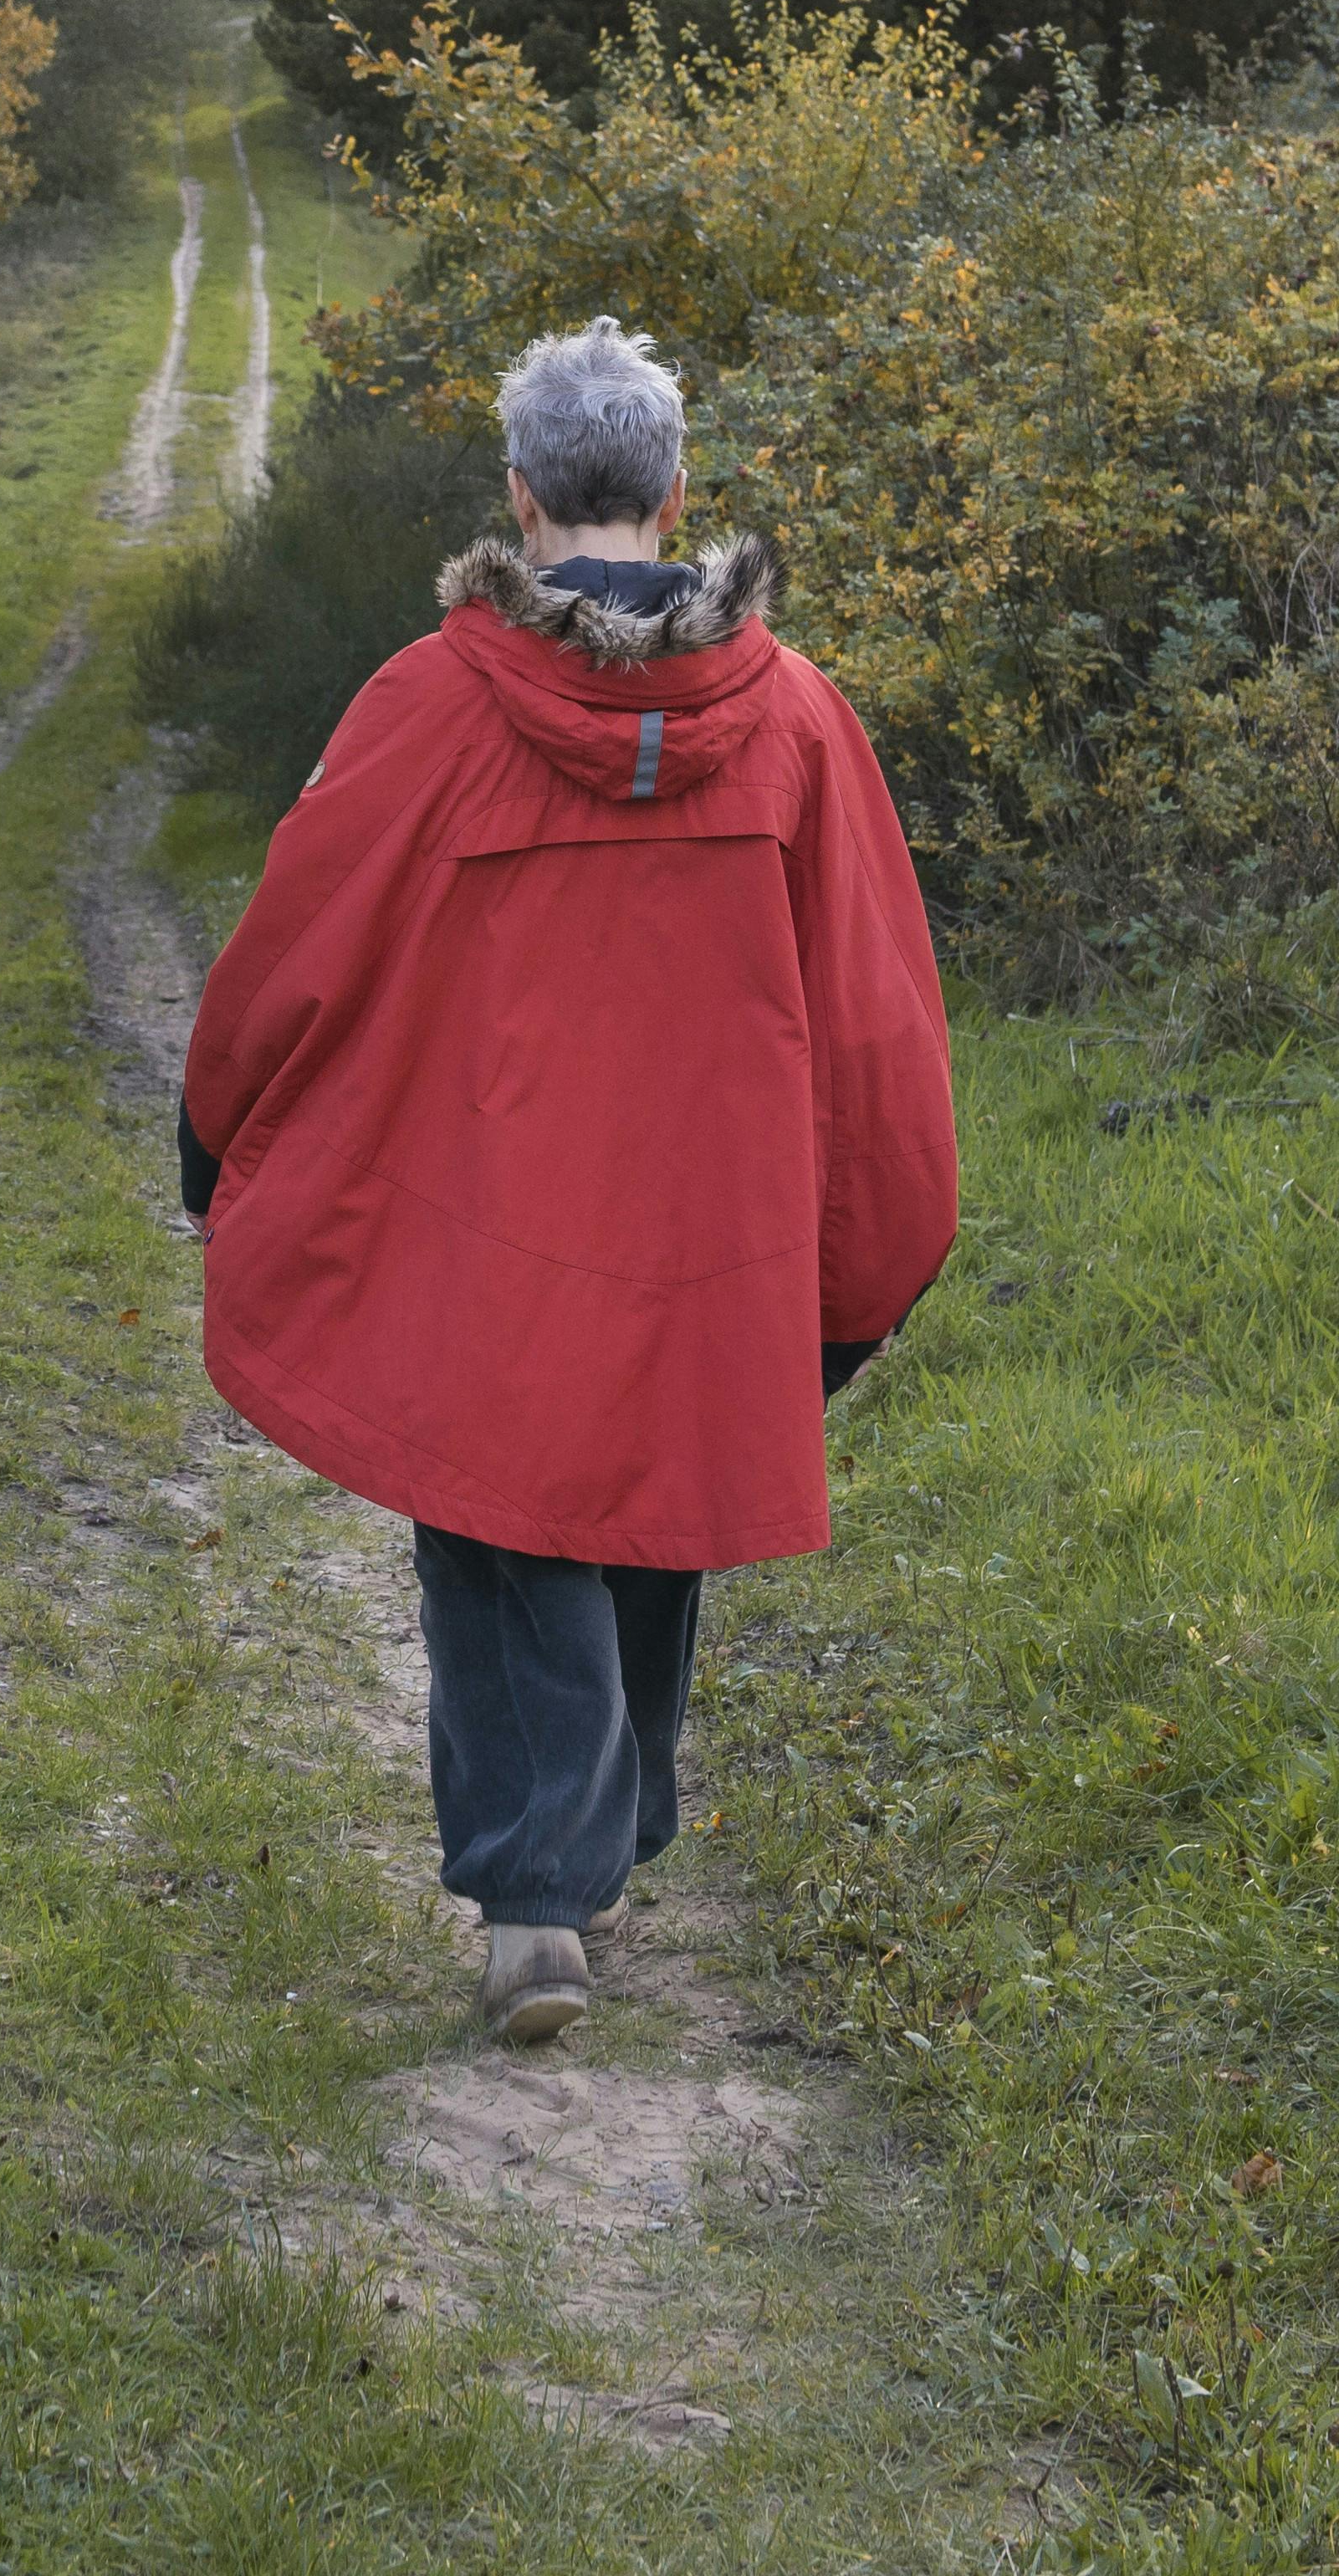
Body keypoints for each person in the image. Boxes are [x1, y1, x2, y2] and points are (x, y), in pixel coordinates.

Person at [178, 319, 958, 2047]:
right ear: (675, 490)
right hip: (711, 1229)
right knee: (645, 1509)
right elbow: (877, 1006)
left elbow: (297, 936)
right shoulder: (796, 719)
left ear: (518, 494)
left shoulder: (428, 700)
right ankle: (586, 1858)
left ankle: (541, 1889)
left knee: (494, 1516)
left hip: (487, 1208)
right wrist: (871, 1250)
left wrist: (216, 1120)